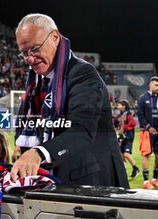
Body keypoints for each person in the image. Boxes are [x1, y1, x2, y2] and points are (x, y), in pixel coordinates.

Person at [10, 13, 129, 188]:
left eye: (35, 49)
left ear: (55, 37)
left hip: (89, 182)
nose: (29, 59)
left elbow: (82, 130)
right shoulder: (36, 83)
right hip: (52, 182)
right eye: (24, 53)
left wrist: (39, 153)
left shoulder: (83, 74)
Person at [137, 76, 158, 189]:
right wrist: (148, 127)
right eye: (156, 85)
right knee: (146, 155)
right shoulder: (142, 98)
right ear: (150, 85)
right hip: (147, 132)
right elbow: (140, 115)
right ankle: (146, 181)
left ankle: (155, 179)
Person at [115, 100, 140, 178]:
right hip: (122, 137)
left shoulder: (128, 114)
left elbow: (132, 124)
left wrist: (124, 128)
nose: (118, 106)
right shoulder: (120, 115)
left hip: (128, 137)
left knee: (126, 154)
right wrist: (116, 122)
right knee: (122, 156)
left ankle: (136, 168)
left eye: (119, 105)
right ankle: (123, 174)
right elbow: (116, 124)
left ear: (124, 106)